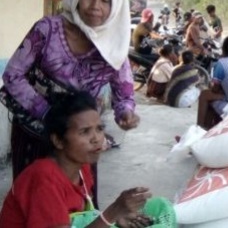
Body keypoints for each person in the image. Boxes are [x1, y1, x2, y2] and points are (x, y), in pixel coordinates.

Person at [0, 0, 140, 191]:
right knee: (33, 197)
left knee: (79, 200)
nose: (95, 6)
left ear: (115, 7)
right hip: (36, 131)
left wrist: (126, 113)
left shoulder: (115, 43)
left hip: (82, 138)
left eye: (105, 0)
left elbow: (124, 94)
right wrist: (48, 114)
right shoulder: (48, 29)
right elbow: (12, 75)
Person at [0, 91, 151, 227]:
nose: (97, 139)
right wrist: (112, 213)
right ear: (58, 140)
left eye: (99, 129)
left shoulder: (82, 169)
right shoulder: (44, 179)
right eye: (85, 132)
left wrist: (117, 218)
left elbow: (77, 219)